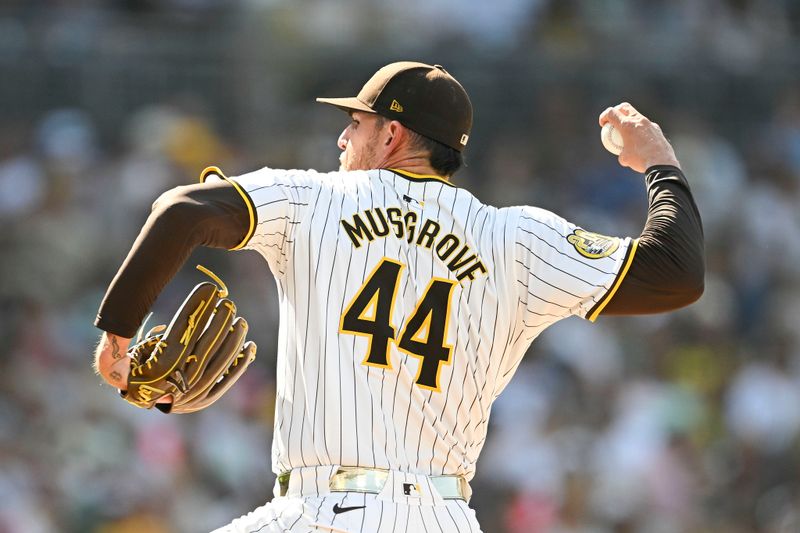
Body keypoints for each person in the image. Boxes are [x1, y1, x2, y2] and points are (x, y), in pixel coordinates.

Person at [93, 61, 704, 532]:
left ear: (391, 134)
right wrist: (659, 163)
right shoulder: (516, 237)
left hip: (323, 512)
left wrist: (119, 333)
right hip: (444, 516)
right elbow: (675, 273)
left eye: (353, 124)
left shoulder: (312, 200)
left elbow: (183, 210)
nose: (341, 138)